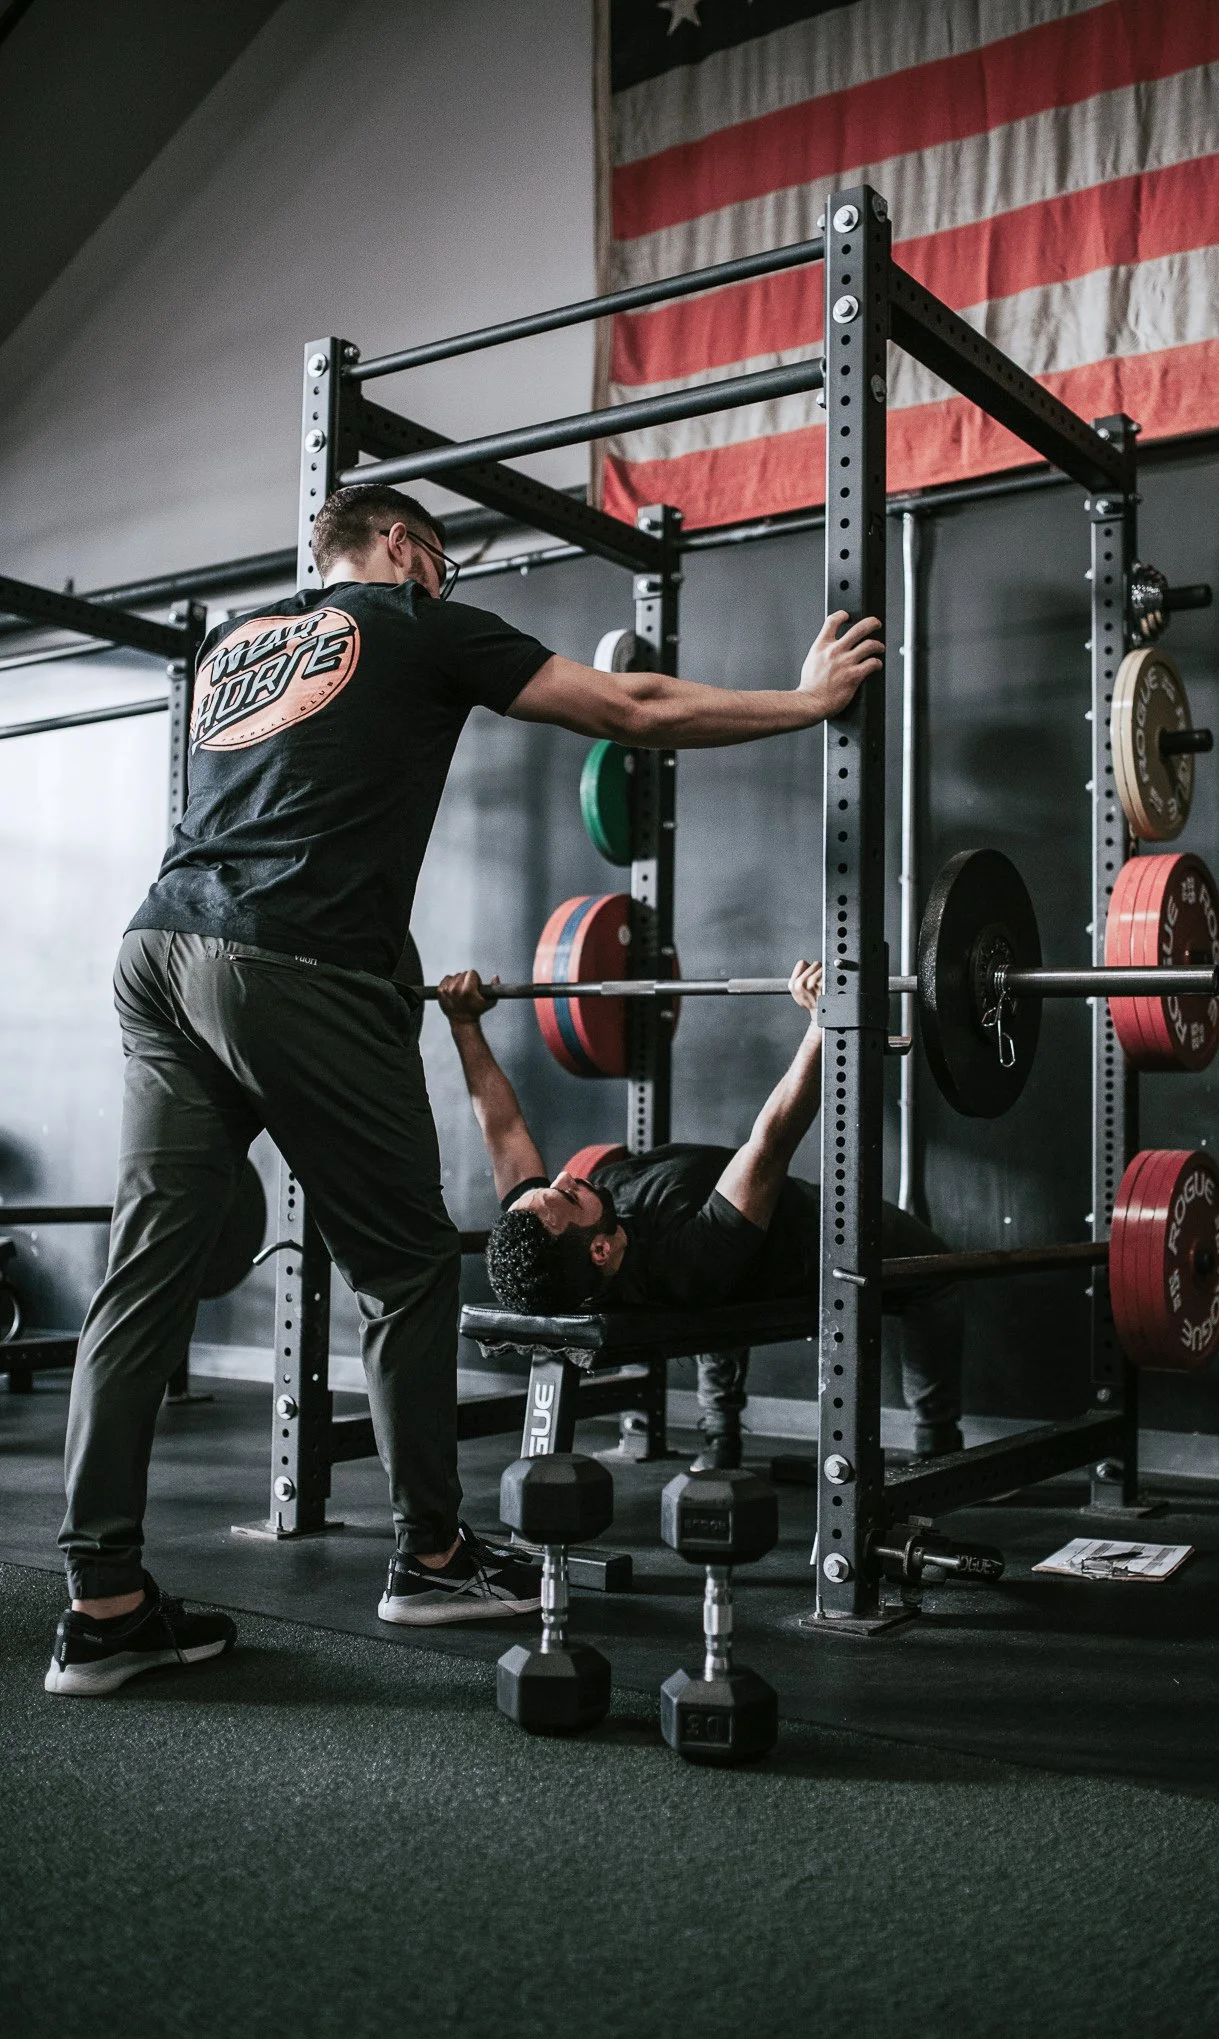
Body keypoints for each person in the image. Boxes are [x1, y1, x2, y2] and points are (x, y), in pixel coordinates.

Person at [46, 481, 884, 1695]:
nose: (442, 573)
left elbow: (288, 810)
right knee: (402, 1275)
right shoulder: (416, 619)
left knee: (141, 1278)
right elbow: (632, 706)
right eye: (435, 555)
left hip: (160, 949)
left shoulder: (238, 643)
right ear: (398, 546)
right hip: (289, 966)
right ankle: (432, 1554)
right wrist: (805, 703)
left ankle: (105, 1600)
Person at [439, 962, 963, 1472]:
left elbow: (502, 1128)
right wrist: (820, 1026)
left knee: (715, 1279)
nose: (564, 1179)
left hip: (718, 1254)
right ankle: (940, 1448)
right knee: (937, 1274)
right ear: (599, 1249)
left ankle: (720, 1437)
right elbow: (772, 1142)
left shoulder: (542, 1227)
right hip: (815, 1232)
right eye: (569, 1197)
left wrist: (464, 1024)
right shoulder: (685, 1258)